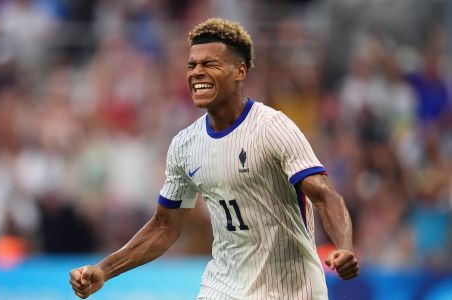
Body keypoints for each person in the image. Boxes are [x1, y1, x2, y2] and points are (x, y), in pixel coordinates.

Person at [69, 18, 359, 299]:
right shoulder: (185, 145)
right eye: (192, 65)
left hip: (289, 290)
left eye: (210, 64)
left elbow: (325, 195)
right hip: (223, 287)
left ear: (240, 71)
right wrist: (103, 270)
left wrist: (344, 247)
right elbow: (164, 226)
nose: (197, 72)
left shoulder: (272, 127)